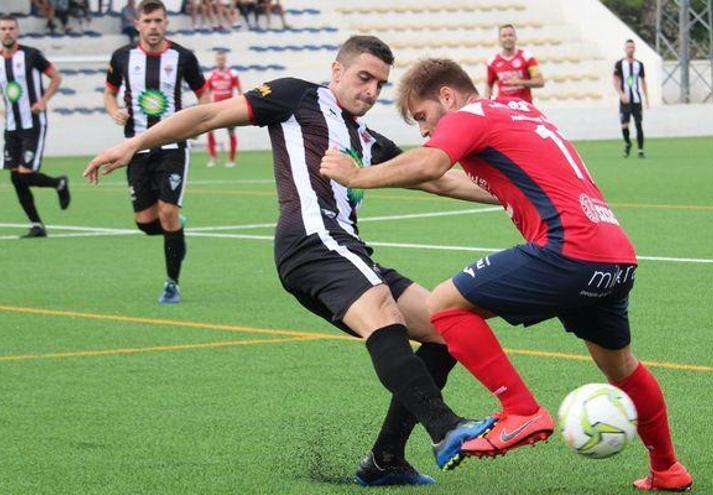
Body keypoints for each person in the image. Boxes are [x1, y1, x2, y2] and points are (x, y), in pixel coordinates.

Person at [85, 36, 499, 485]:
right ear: (337, 71)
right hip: (310, 240)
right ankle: (445, 427)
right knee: (382, 309)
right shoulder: (296, 96)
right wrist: (135, 144)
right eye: (363, 78)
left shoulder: (366, 139)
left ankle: (385, 460)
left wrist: (525, 195)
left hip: (345, 249)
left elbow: (440, 181)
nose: (370, 92)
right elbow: (208, 115)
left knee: (445, 327)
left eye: (379, 84)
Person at [319, 58, 694, 492]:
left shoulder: (469, 115)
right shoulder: (523, 112)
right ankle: (668, 469)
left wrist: (358, 175)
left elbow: (431, 164)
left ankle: (520, 411)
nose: (424, 130)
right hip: (613, 255)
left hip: (568, 249)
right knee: (622, 367)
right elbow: (470, 180)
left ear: (447, 96)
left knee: (442, 305)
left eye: (422, 117)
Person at [103, 0, 209, 303]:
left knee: (167, 212)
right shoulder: (122, 57)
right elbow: (110, 93)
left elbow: (205, 96)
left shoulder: (183, 57)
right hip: (135, 148)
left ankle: (172, 284)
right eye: (148, 21)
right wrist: (115, 112)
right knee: (146, 223)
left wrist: (195, 123)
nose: (153, 27)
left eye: (159, 21)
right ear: (137, 23)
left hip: (173, 147)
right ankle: (176, 229)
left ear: (166, 23)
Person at [1, 15, 70, 238]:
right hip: (11, 127)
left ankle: (59, 183)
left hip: (33, 124)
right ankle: (37, 225)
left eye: (11, 28)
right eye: (3, 29)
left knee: (25, 173)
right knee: (15, 177)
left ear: (17, 31)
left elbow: (56, 78)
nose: (7, 32)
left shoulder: (31, 55)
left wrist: (43, 101)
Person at [484, 24, 543, 103]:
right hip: (504, 107)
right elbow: (489, 85)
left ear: (515, 37)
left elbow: (539, 81)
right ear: (500, 39)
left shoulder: (527, 57)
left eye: (510, 35)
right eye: (504, 36)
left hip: (524, 106)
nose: (507, 38)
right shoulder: (492, 61)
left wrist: (520, 82)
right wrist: (488, 103)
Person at [204, 51, 241, 167]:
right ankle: (213, 158)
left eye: (222, 59)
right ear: (216, 61)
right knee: (209, 131)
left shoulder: (233, 74)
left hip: (229, 108)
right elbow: (207, 93)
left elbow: (239, 90)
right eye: (218, 59)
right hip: (216, 108)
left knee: (231, 133)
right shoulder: (211, 75)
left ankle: (231, 160)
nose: (220, 61)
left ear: (225, 60)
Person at [614, 39, 649, 159]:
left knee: (638, 124)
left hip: (636, 100)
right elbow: (615, 80)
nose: (630, 49)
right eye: (628, 47)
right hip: (625, 100)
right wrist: (621, 94)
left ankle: (640, 150)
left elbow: (643, 81)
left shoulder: (639, 64)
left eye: (632, 47)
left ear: (635, 49)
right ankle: (628, 142)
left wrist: (646, 97)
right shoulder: (620, 64)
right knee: (624, 124)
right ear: (625, 49)